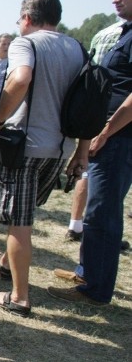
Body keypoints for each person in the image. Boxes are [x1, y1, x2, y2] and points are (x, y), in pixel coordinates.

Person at [0, 0, 87, 317]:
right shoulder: (77, 48)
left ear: (27, 18)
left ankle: (19, 297)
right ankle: (5, 262)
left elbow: (21, 78)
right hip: (60, 149)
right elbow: (89, 103)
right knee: (23, 215)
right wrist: (81, 151)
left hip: (24, 146)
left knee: (19, 222)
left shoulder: (24, 43)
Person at [49, 0, 132, 306]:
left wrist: (105, 132)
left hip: (119, 137)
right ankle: (88, 270)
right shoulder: (126, 31)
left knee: (102, 212)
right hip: (113, 134)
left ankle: (94, 289)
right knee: (98, 208)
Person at [59, 20, 124, 242]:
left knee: (99, 201)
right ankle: (89, 266)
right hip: (109, 128)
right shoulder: (111, 35)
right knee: (101, 207)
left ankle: (78, 230)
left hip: (107, 127)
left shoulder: (106, 35)